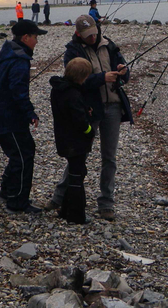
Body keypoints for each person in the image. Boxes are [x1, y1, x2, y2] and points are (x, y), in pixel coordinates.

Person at [45, 14, 132, 220]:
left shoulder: (109, 46)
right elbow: (76, 81)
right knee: (79, 155)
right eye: (87, 35)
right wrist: (102, 78)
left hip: (113, 106)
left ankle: (106, 203)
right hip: (90, 109)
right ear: (78, 34)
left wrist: (123, 71)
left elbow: (125, 76)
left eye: (93, 33)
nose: (92, 38)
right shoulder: (72, 51)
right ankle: (59, 197)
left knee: (109, 158)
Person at [0, 19, 47, 213]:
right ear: (25, 37)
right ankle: (17, 201)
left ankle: (6, 192)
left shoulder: (6, 52)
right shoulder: (20, 60)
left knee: (19, 153)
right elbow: (19, 92)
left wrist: (2, 86)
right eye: (35, 37)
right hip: (8, 119)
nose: (37, 41)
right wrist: (30, 113)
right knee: (23, 155)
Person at [49, 56, 95, 223]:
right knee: (77, 175)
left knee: (76, 172)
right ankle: (76, 215)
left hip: (63, 139)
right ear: (82, 77)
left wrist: (84, 108)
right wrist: (90, 131)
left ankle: (65, 211)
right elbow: (79, 120)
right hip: (75, 142)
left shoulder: (58, 89)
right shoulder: (73, 93)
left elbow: (70, 110)